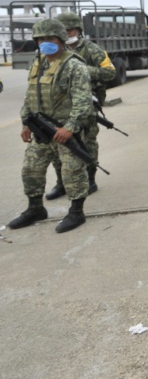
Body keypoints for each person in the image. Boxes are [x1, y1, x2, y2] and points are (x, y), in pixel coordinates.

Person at [8, 19, 93, 233]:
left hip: (64, 130)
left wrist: (70, 128)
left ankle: (76, 212)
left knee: (72, 171)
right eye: (41, 39)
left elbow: (83, 101)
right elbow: (30, 96)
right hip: (40, 129)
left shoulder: (74, 65)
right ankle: (35, 209)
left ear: (61, 39)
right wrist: (25, 122)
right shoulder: (38, 63)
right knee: (31, 170)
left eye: (50, 38)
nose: (45, 42)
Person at [41, 11, 116, 199]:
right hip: (57, 109)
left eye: (70, 29)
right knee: (57, 147)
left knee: (87, 144)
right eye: (63, 30)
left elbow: (110, 73)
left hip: (86, 107)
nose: (67, 33)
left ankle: (90, 180)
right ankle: (62, 183)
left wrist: (81, 70)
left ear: (78, 30)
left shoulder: (91, 49)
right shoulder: (52, 51)